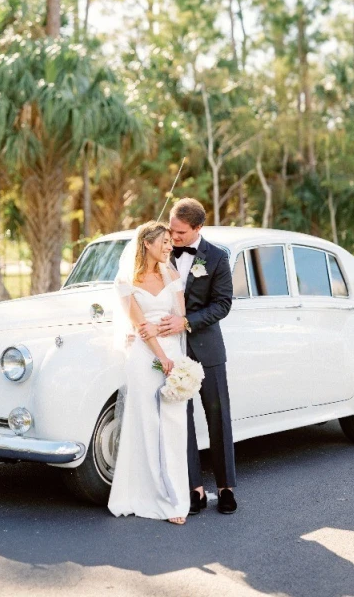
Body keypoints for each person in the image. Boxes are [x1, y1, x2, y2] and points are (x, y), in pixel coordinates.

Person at [156, 197, 237, 515]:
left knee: (218, 418)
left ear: (198, 229)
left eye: (179, 234)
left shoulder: (217, 257)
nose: (173, 238)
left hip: (208, 350)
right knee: (182, 420)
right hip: (174, 351)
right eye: (171, 232)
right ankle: (195, 489)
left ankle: (226, 488)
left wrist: (187, 321)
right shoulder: (163, 253)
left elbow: (223, 304)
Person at [108, 221, 190, 524]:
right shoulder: (127, 282)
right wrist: (161, 356)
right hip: (146, 357)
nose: (170, 247)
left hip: (174, 352)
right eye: (165, 242)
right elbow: (140, 325)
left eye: (171, 242)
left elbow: (180, 317)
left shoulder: (172, 275)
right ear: (147, 244)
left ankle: (174, 498)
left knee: (173, 425)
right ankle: (150, 497)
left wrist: (172, 348)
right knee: (146, 425)